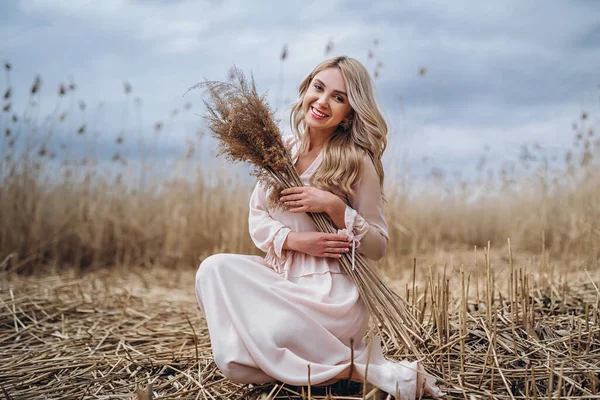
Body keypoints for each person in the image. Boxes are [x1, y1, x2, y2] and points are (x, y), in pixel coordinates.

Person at [195, 56, 443, 399]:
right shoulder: (278, 151)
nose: (323, 102)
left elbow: (378, 246)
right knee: (214, 271)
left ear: (350, 112)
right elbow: (258, 219)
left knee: (273, 334)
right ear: (306, 89)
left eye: (339, 98)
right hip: (282, 276)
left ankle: (338, 366)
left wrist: (335, 207)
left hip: (329, 294)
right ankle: (340, 372)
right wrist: (299, 241)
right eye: (319, 88)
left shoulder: (356, 161)